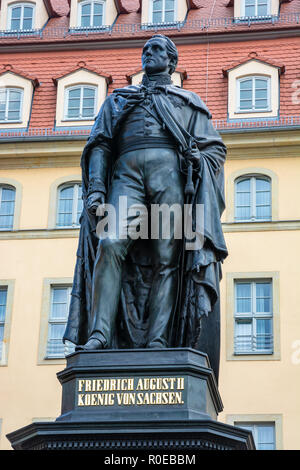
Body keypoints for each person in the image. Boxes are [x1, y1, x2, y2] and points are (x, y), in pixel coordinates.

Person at [63, 34, 228, 380]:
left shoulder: (187, 101)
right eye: (145, 49)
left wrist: (198, 161)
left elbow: (215, 150)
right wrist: (95, 189)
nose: (147, 53)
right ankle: (99, 335)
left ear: (171, 61)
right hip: (127, 175)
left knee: (167, 258)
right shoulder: (119, 99)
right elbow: (100, 145)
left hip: (170, 177)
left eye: (156, 49)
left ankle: (158, 341)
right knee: (110, 244)